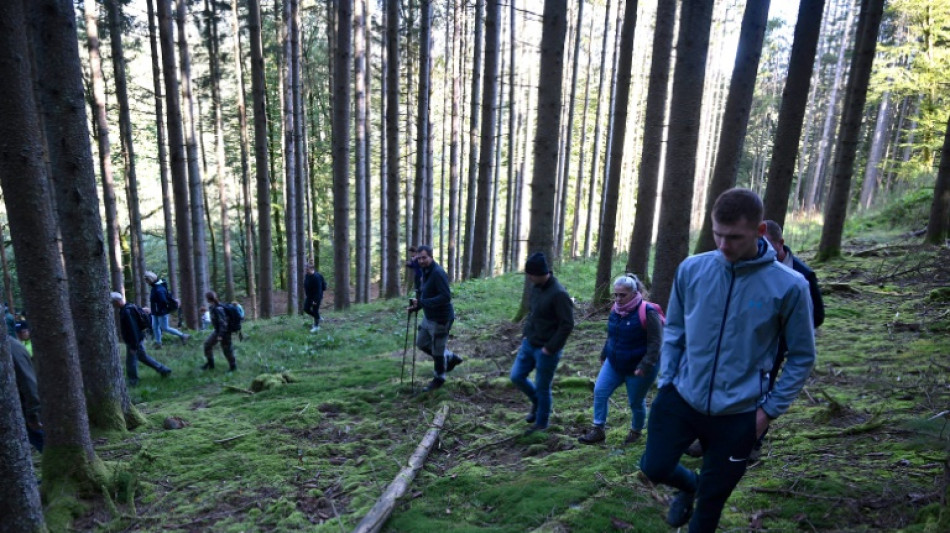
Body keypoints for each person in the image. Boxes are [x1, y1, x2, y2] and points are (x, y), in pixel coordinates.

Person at [638, 188, 816, 531]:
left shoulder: (791, 286)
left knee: (710, 507)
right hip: (682, 396)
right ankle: (689, 485)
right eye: (717, 233)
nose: (722, 244)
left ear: (760, 231)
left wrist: (768, 412)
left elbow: (802, 356)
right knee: (654, 467)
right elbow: (674, 328)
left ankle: (701, 496)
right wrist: (667, 382)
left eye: (734, 237)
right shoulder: (692, 269)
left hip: (739, 413)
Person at [578, 274, 661, 446]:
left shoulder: (647, 312)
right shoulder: (615, 310)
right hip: (615, 363)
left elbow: (656, 342)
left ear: (633, 293)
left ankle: (636, 431)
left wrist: (645, 365)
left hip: (639, 367)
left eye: (622, 295)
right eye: (615, 294)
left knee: (635, 402)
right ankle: (598, 429)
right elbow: (612, 335)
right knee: (600, 391)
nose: (618, 299)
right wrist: (604, 354)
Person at [510, 252, 575, 433]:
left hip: (547, 349)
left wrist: (550, 347)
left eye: (531, 274)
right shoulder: (536, 288)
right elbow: (532, 314)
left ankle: (541, 423)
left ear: (540, 273)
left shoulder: (559, 294)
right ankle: (537, 402)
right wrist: (525, 335)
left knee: (542, 386)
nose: (529, 278)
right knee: (516, 376)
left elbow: (567, 324)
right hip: (530, 343)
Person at [407, 245, 463, 391]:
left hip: (441, 319)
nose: (421, 261)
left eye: (424, 257)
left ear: (431, 257)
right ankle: (449, 356)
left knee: (438, 351)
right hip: (429, 316)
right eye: (418, 258)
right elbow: (424, 294)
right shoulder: (423, 272)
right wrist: (417, 307)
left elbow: (445, 297)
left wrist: (423, 303)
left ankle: (439, 378)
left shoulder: (438, 273)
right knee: (421, 343)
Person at [110, 292, 172, 386]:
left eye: (113, 303)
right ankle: (163, 370)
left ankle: (133, 381)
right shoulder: (130, 307)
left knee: (130, 361)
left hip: (134, 340)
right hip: (138, 338)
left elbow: (133, 328)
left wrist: (133, 346)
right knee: (143, 357)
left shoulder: (127, 311)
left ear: (117, 301)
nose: (112, 305)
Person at [11, 335, 44, 452]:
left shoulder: (10, 347)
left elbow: (27, 380)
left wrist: (34, 411)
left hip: (23, 407)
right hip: (18, 407)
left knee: (41, 439)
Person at [145, 271, 189, 347]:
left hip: (161, 312)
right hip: (155, 312)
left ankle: (183, 335)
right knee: (155, 327)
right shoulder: (155, 287)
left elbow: (163, 301)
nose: (146, 282)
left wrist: (160, 310)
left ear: (150, 279)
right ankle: (158, 343)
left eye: (147, 280)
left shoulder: (159, 289)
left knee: (165, 328)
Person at [202, 291, 236, 372]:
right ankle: (211, 364)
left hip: (224, 332)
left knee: (227, 349)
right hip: (217, 331)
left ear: (208, 299)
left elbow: (223, 323)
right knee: (207, 344)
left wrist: (220, 335)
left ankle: (233, 367)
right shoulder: (213, 307)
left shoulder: (218, 308)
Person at [303, 263, 327, 333]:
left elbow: (319, 290)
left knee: (315, 310)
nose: (306, 271)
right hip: (309, 296)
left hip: (317, 297)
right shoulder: (307, 275)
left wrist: (315, 300)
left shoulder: (317, 277)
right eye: (305, 269)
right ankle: (318, 317)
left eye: (307, 270)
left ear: (312, 269)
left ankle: (316, 326)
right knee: (306, 309)